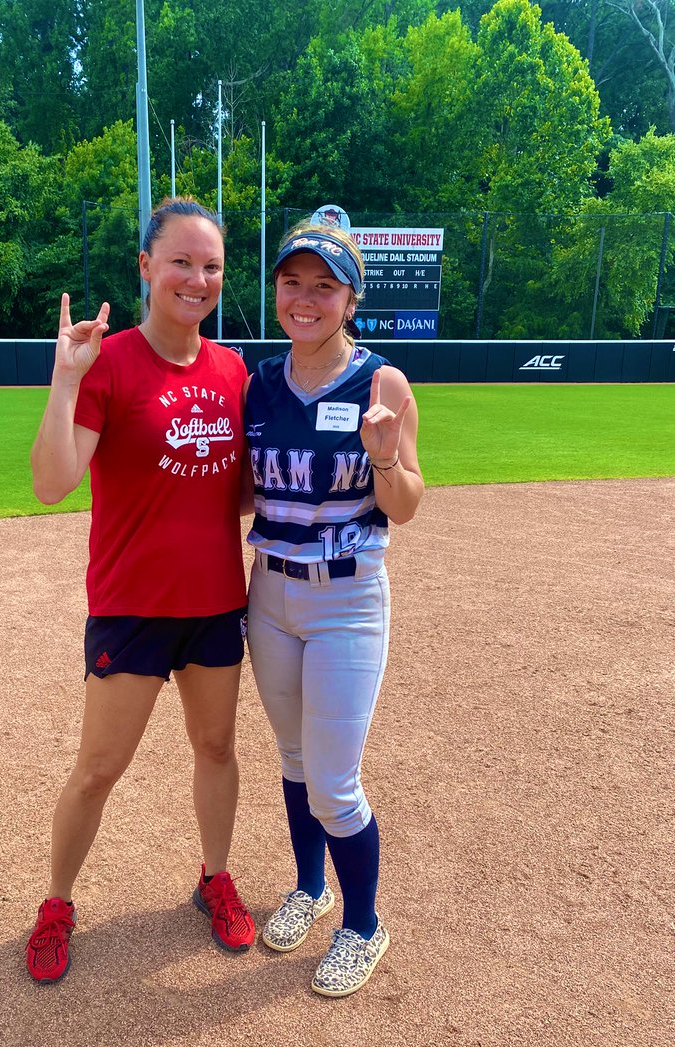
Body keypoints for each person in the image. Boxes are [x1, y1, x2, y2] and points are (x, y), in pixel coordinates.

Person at [26, 196, 255, 985]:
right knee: (97, 768)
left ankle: (213, 879)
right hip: (131, 605)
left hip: (218, 604)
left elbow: (249, 490)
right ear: (146, 268)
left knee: (217, 748)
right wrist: (64, 380)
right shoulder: (109, 362)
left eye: (212, 265)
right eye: (182, 262)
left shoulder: (233, 373)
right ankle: (57, 903)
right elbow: (53, 483)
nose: (197, 278)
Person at [244, 221, 424, 998]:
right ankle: (310, 889)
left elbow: (407, 504)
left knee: (333, 783)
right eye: (293, 282)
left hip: (347, 599)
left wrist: (384, 457)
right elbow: (241, 489)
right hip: (271, 592)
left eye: (325, 285)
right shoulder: (258, 382)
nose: (306, 298)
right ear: (276, 290)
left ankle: (363, 924)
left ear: (351, 297)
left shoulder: (383, 384)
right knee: (291, 759)